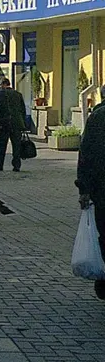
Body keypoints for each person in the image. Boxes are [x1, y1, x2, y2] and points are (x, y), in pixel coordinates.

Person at [78, 104, 105, 300]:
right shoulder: (98, 118)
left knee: (104, 235)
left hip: (101, 190)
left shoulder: (97, 117)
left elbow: (85, 155)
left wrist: (84, 189)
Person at [0, 78, 27, 171]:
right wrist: (23, 124)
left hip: (5, 123)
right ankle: (16, 165)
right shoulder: (18, 94)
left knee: (2, 144)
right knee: (16, 145)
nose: (0, 87)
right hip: (17, 123)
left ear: (3, 84)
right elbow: (23, 110)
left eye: (0, 85)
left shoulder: (1, 94)